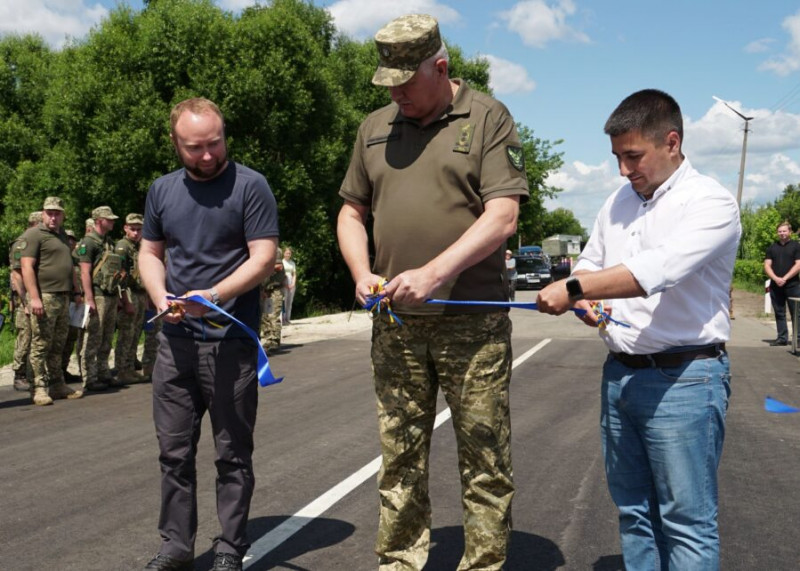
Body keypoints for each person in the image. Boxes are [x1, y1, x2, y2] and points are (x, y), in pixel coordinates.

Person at [336, 14, 528, 570]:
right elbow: (352, 211)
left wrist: (435, 273)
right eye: (388, 83)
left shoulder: (487, 117)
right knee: (399, 457)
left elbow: (503, 215)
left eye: (406, 82)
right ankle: (398, 561)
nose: (396, 93)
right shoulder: (374, 127)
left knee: (485, 457)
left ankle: (485, 564)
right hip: (396, 325)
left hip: (474, 325)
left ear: (440, 67)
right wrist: (360, 272)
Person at [537, 89, 741, 570]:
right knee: (635, 513)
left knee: (687, 521)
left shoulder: (710, 203)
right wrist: (586, 300)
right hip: (621, 376)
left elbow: (657, 269)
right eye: (617, 158)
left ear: (672, 142)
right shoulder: (617, 203)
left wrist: (571, 287)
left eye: (633, 156)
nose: (624, 170)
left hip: (685, 379)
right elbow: (591, 261)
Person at [139, 97, 279, 571]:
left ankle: (230, 548)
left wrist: (213, 294)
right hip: (174, 346)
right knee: (173, 452)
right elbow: (150, 253)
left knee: (231, 454)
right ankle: (176, 548)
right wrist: (161, 296)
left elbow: (263, 258)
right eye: (194, 147)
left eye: (214, 144)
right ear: (176, 144)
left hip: (230, 344)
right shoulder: (161, 191)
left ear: (224, 135)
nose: (206, 155)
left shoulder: (250, 186)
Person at [19, 197, 84, 405]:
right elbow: (26, 267)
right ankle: (37, 387)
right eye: (49, 212)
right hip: (44, 296)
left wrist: (76, 291)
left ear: (63, 215)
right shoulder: (34, 234)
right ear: (43, 213)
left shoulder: (62, 235)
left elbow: (70, 265)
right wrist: (34, 298)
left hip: (63, 297)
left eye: (57, 213)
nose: (53, 217)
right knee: (40, 344)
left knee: (59, 343)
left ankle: (57, 384)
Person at [77, 205, 123, 391]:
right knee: (93, 336)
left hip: (110, 294)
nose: (112, 221)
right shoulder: (88, 243)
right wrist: (89, 298)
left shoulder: (108, 242)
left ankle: (103, 372)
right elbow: (85, 272)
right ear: (98, 221)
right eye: (109, 219)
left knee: (106, 336)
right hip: (97, 294)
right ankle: (89, 376)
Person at [9, 211, 42, 391]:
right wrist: (24, 302)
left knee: (35, 336)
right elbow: (17, 275)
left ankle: (31, 373)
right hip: (25, 300)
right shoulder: (21, 244)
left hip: (35, 296)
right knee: (25, 335)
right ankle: (19, 374)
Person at [114, 213, 147, 384]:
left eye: (139, 229)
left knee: (135, 333)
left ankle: (130, 367)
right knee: (126, 333)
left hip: (140, 293)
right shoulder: (122, 246)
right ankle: (122, 370)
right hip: (129, 293)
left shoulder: (139, 246)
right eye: (132, 229)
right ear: (126, 228)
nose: (136, 232)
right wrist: (124, 299)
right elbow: (119, 274)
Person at [764, 220, 800, 346]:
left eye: (784, 231)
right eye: (780, 231)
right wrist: (775, 278)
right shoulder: (772, 247)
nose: (782, 233)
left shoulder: (796, 246)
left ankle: (798, 339)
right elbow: (767, 265)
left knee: (797, 313)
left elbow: (798, 264)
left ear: (790, 232)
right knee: (779, 312)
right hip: (776, 285)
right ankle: (782, 338)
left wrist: (785, 278)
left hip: (793, 285)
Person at [260, 248, 284, 353]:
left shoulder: (275, 250)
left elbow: (279, 266)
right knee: (265, 316)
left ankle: (274, 341)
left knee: (273, 316)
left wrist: (264, 269)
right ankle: (268, 340)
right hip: (266, 290)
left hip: (275, 290)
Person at [281, 247, 297, 324]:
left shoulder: (292, 263)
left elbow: (294, 274)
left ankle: (288, 318)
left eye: (289, 253)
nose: (288, 255)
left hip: (291, 282)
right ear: (284, 254)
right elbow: (280, 275)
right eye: (287, 253)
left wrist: (293, 283)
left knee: (289, 302)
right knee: (284, 301)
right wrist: (284, 284)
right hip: (284, 282)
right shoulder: (281, 262)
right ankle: (283, 319)